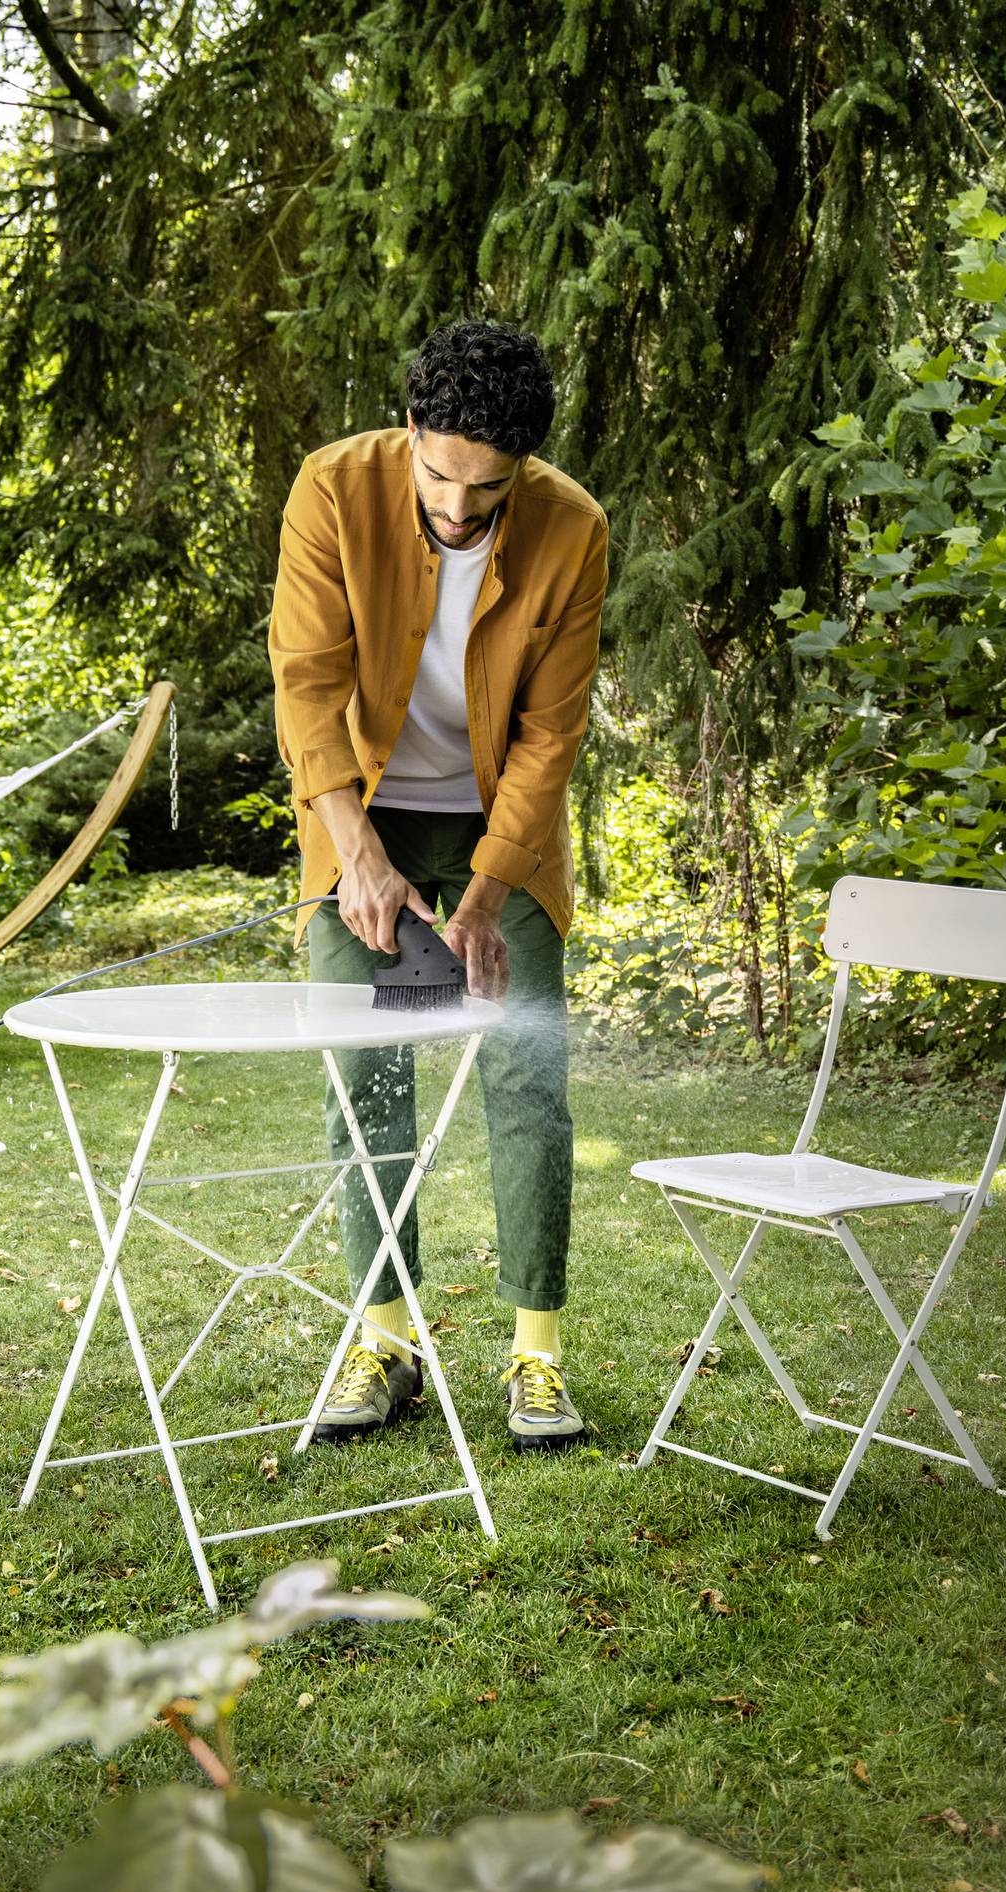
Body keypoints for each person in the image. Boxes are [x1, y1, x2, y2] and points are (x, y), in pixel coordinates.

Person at [268, 318, 607, 1452]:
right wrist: (355, 851)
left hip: (501, 825)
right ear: (410, 431)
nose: (460, 511)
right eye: (441, 477)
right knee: (364, 1077)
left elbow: (549, 741)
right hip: (355, 811)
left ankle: (537, 1356)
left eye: (490, 489)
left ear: (527, 470)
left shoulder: (574, 532)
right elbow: (306, 689)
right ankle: (386, 1341)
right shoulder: (333, 488)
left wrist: (486, 887)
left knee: (526, 1069)